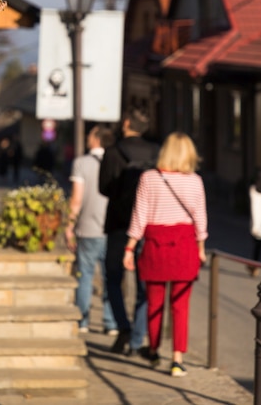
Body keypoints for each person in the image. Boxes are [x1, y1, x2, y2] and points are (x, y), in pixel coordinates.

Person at [123, 131, 208, 377]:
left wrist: (129, 247)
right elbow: (200, 219)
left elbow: (139, 215)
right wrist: (201, 249)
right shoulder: (195, 181)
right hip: (185, 246)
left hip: (154, 246)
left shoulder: (149, 178)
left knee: (154, 302)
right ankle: (177, 359)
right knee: (181, 305)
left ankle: (154, 348)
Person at [99, 107, 159, 355]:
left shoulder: (113, 152)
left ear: (126, 123)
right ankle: (136, 339)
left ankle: (122, 325)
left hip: (118, 225)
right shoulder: (156, 152)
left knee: (113, 279)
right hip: (147, 226)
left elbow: (103, 188)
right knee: (144, 284)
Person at [65, 125, 117, 335]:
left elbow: (76, 199)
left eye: (90, 135)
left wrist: (69, 226)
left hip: (87, 228)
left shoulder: (81, 163)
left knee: (84, 275)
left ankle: (83, 320)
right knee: (110, 277)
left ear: (96, 139)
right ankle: (111, 322)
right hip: (111, 228)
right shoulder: (116, 161)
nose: (87, 137)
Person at [248, 168, 261, 276]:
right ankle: (254, 266)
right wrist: (255, 227)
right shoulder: (253, 192)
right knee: (257, 248)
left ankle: (254, 266)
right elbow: (254, 210)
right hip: (257, 227)